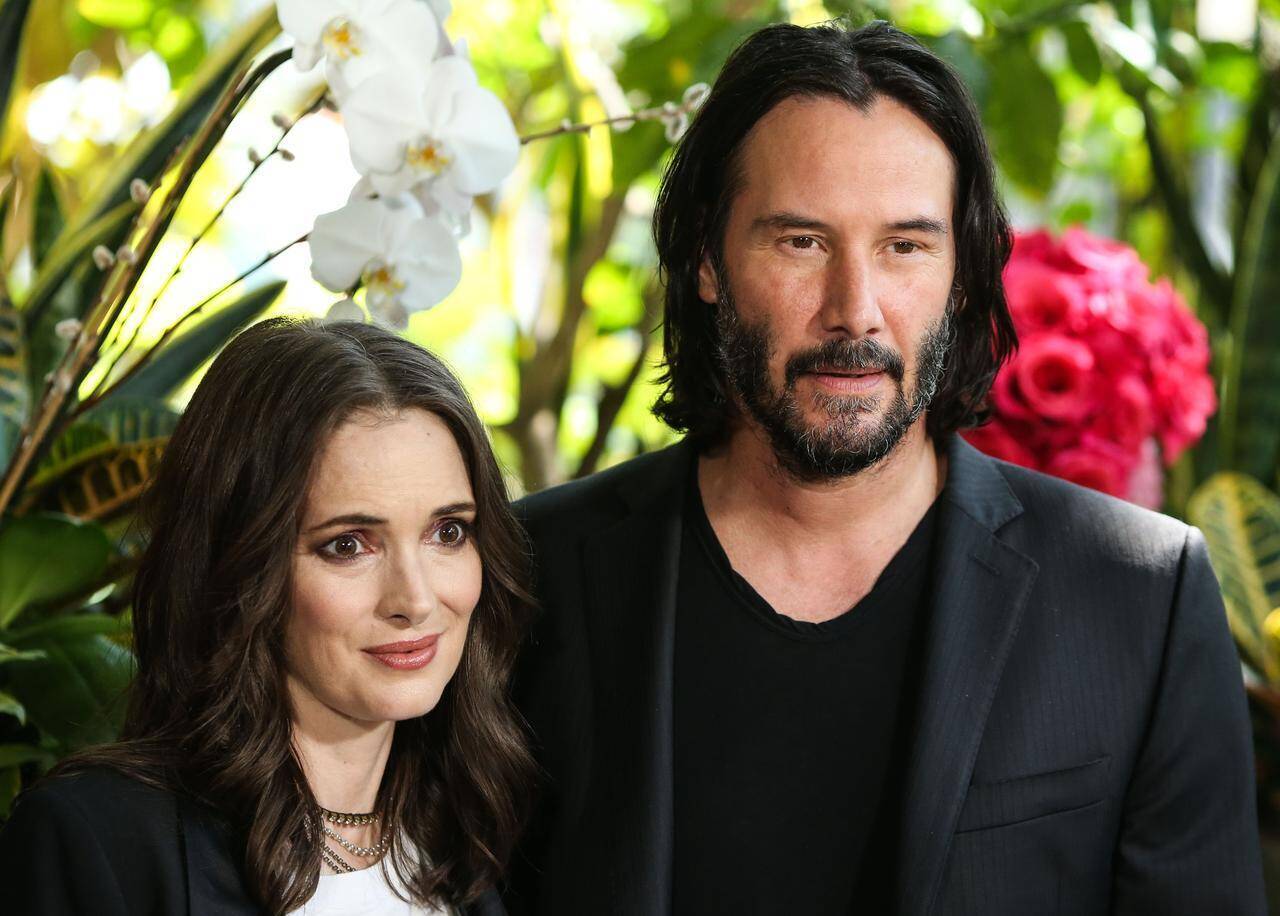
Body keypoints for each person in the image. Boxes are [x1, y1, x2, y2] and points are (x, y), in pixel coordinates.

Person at [506, 19, 1266, 916]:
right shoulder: (526, 576)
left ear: (962, 273)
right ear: (708, 258)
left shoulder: (1140, 594)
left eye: (905, 246)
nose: (855, 310)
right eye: (801, 241)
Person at [0, 318, 532, 915]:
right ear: (240, 563)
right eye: (348, 545)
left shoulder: (468, 838)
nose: (416, 600)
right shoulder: (96, 840)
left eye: (448, 532)